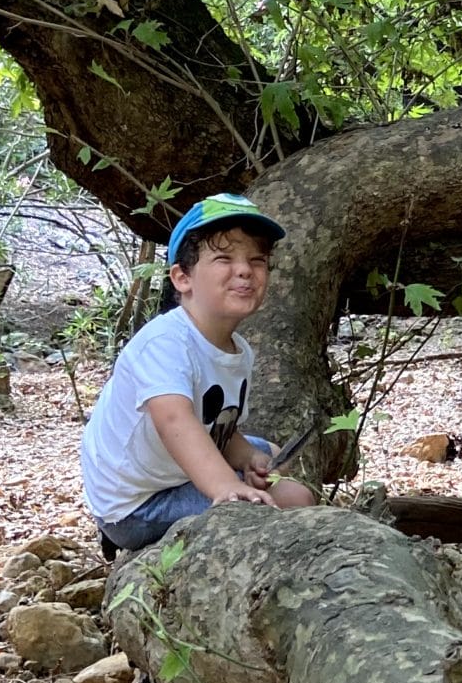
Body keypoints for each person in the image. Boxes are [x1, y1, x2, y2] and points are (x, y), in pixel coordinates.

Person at [80, 194, 316, 554]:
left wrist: (246, 460)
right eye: (223, 258)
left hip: (173, 472)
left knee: (269, 455)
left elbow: (220, 427)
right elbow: (174, 421)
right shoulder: (163, 343)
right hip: (137, 504)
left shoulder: (239, 350)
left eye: (258, 260)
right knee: (293, 500)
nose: (244, 270)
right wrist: (225, 486)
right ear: (182, 277)